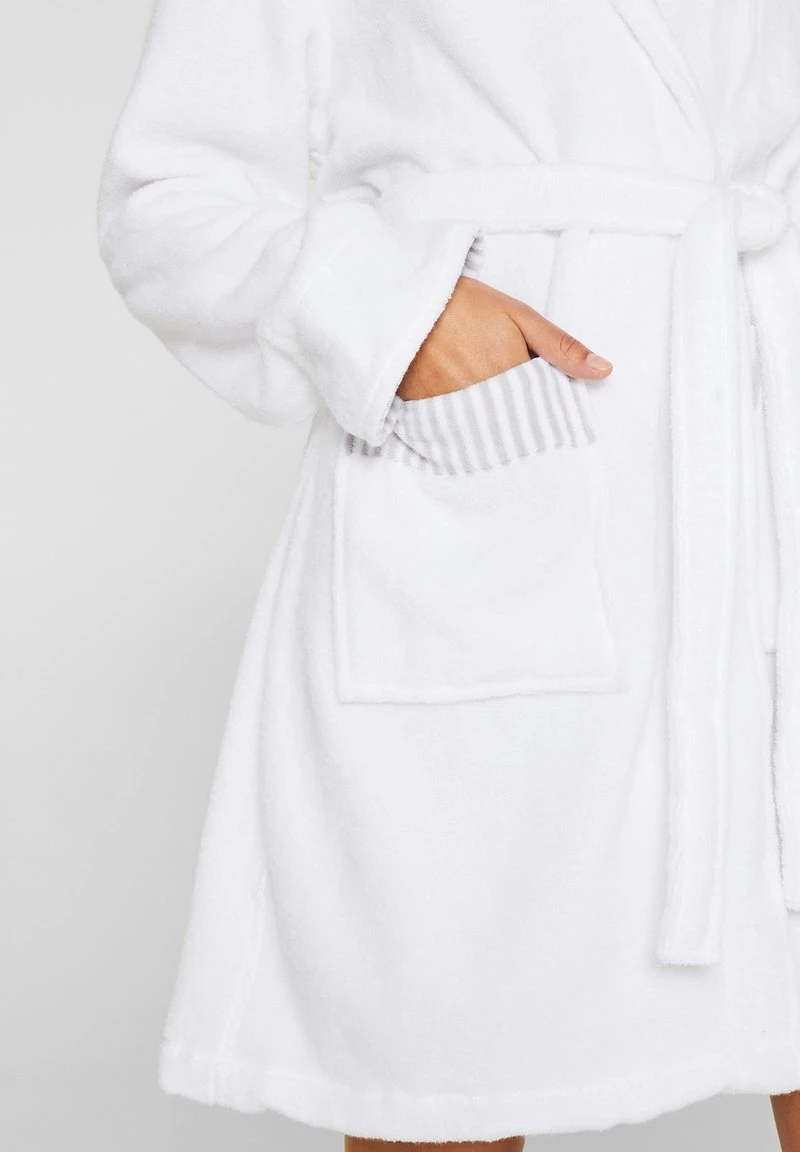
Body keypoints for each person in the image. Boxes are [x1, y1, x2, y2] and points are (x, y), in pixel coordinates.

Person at [96, 0, 800, 1148]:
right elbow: (167, 197)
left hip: (765, 428)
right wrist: (399, 315)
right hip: (498, 483)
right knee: (440, 1059)